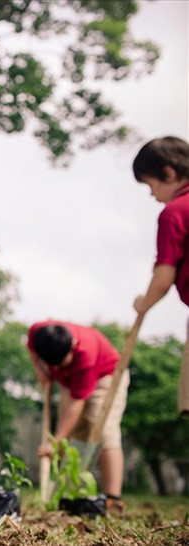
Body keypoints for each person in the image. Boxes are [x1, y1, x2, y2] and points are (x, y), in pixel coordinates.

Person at [28, 320, 127, 513]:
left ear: (73, 345)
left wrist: (54, 443)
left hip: (106, 377)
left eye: (62, 362)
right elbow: (32, 349)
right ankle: (66, 494)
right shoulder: (39, 332)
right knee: (73, 437)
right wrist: (40, 371)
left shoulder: (85, 355)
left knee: (103, 430)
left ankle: (113, 500)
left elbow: (76, 405)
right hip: (70, 381)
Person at [131, 136, 189, 416]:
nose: (152, 195)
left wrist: (144, 303)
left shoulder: (175, 212)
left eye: (151, 185)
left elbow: (164, 277)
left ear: (169, 173)